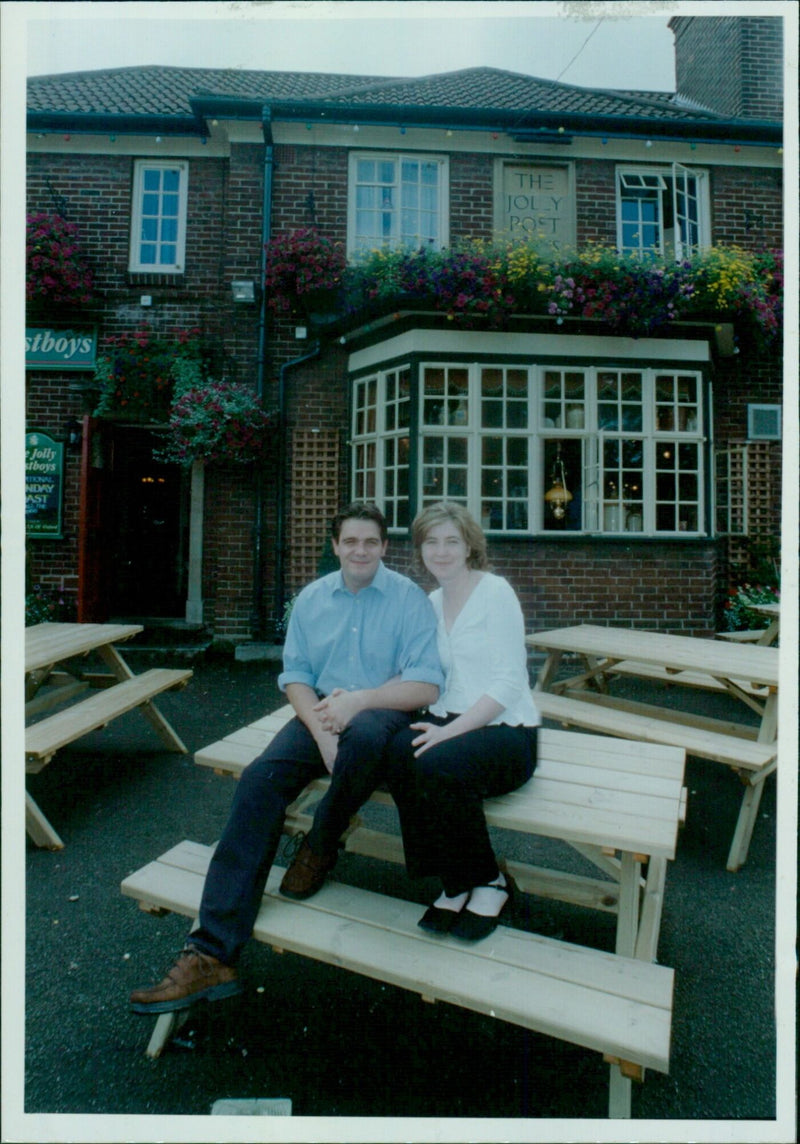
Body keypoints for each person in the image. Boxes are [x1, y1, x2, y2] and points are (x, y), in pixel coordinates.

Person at [129, 503, 443, 1014]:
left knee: (363, 734)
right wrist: (321, 734)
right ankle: (212, 953)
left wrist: (358, 702)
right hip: (318, 715)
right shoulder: (313, 600)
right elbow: (295, 675)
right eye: (350, 542)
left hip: (383, 713)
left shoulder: (409, 601)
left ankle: (320, 843)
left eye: (371, 542)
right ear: (335, 546)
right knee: (258, 782)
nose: (360, 551)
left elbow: (425, 683)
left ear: (385, 547)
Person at [387, 501, 540, 941]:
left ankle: (489, 880)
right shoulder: (430, 603)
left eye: (451, 541)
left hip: (507, 731)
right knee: (398, 752)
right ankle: (454, 880)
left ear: (470, 545)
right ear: (420, 550)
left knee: (437, 761)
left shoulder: (495, 592)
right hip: (448, 720)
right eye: (431, 542)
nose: (441, 551)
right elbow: (415, 669)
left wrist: (447, 733)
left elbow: (510, 682)